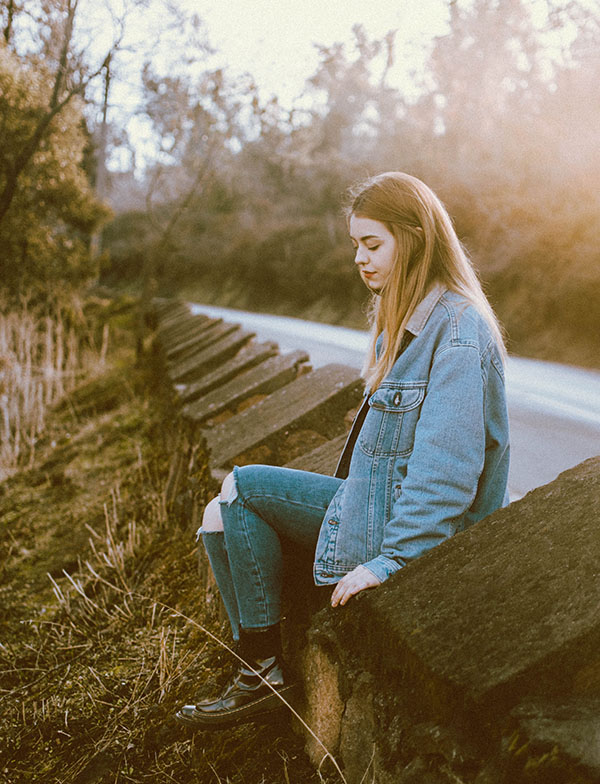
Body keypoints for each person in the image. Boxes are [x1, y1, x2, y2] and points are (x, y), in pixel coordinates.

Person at [175, 171, 510, 729]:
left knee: (242, 487)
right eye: (355, 245)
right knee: (216, 515)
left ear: (417, 239)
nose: (359, 258)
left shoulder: (457, 331)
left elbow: (446, 471)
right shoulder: (397, 320)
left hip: (416, 536)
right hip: (376, 507)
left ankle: (259, 675)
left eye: (373, 244)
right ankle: (261, 670)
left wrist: (393, 562)